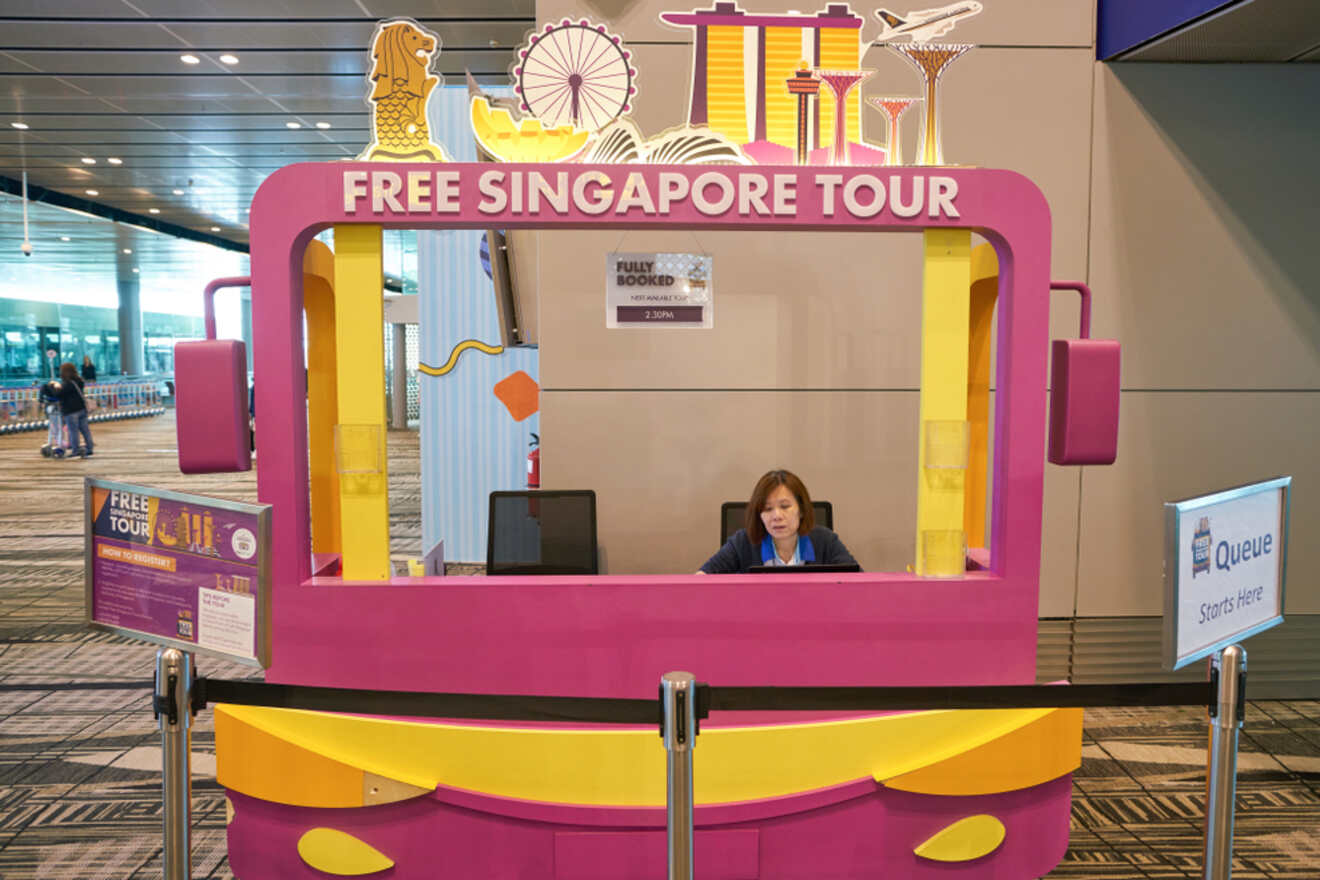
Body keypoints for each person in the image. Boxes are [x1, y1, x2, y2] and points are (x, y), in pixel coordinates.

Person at [698, 469, 858, 573]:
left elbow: (859, 583)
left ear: (801, 509)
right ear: (759, 514)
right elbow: (701, 579)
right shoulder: (742, 542)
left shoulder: (825, 540)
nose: (777, 516)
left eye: (785, 506)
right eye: (768, 509)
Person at [57, 361, 93, 458]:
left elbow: (60, 394)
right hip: (81, 408)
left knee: (73, 431)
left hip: (71, 411)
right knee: (85, 430)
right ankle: (89, 448)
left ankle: (75, 450)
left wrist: (54, 388)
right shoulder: (79, 381)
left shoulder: (67, 384)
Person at [39, 378, 64, 458]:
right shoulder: (57, 389)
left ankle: (50, 443)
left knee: (52, 428)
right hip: (57, 409)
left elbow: (41, 398)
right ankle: (59, 445)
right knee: (59, 429)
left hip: (50, 408)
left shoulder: (45, 388)